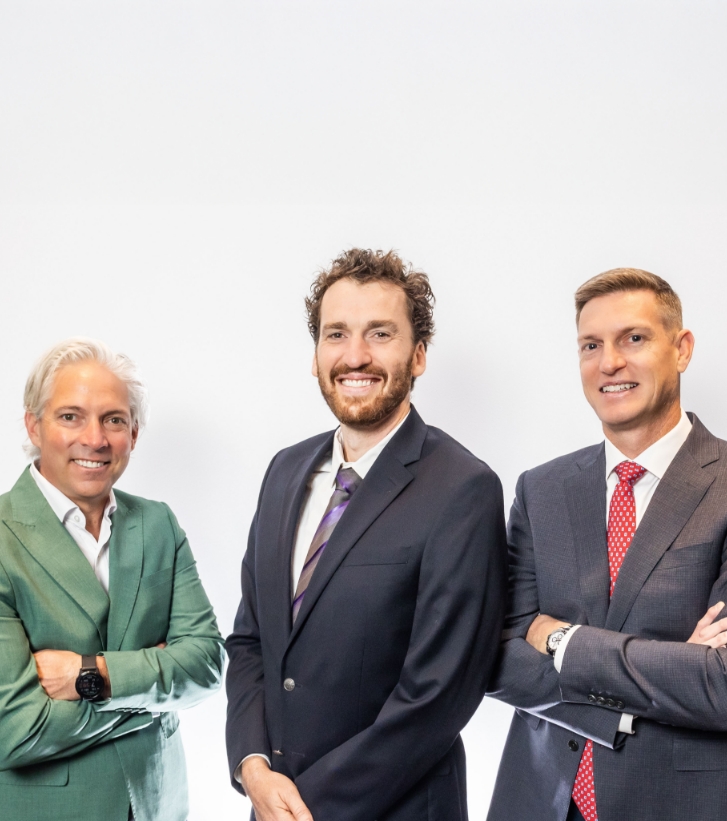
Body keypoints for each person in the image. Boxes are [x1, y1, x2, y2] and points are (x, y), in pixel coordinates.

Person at [225, 248, 507, 821]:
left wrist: (307, 807)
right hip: (271, 805)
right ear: (315, 354)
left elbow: (438, 695)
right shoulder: (284, 471)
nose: (355, 356)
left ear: (419, 355)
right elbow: (252, 641)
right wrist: (252, 768)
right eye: (336, 335)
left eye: (380, 333)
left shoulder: (464, 488)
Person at [487, 268, 727, 821]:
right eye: (591, 345)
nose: (609, 363)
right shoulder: (540, 490)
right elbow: (495, 655)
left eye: (633, 339)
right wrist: (668, 669)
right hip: (539, 800)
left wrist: (560, 639)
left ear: (682, 348)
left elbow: (719, 683)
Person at [0, 338, 225, 821]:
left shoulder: (158, 523)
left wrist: (91, 675)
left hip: (159, 807)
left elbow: (207, 665)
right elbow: (15, 729)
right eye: (70, 416)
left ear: (134, 434)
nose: (95, 438)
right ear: (33, 425)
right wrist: (152, 697)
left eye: (114, 419)